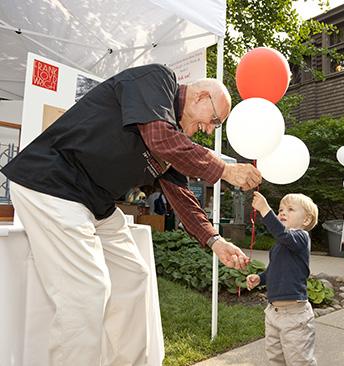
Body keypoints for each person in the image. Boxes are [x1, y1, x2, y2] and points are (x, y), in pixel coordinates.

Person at [1, 64, 262, 366]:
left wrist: (215, 241)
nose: (208, 129)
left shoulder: (172, 135)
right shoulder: (158, 80)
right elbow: (160, 139)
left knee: (133, 276)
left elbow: (181, 196)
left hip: (93, 200)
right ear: (201, 96)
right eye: (213, 120)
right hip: (52, 182)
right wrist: (225, 169)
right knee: (87, 291)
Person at [247, 191, 318, 366]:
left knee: (299, 361)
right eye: (280, 209)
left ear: (306, 220)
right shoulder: (280, 244)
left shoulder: (301, 237)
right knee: (275, 359)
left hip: (295, 315)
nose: (282, 212)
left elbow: (283, 234)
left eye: (290, 209)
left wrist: (265, 209)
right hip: (273, 314)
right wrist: (261, 278)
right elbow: (274, 269)